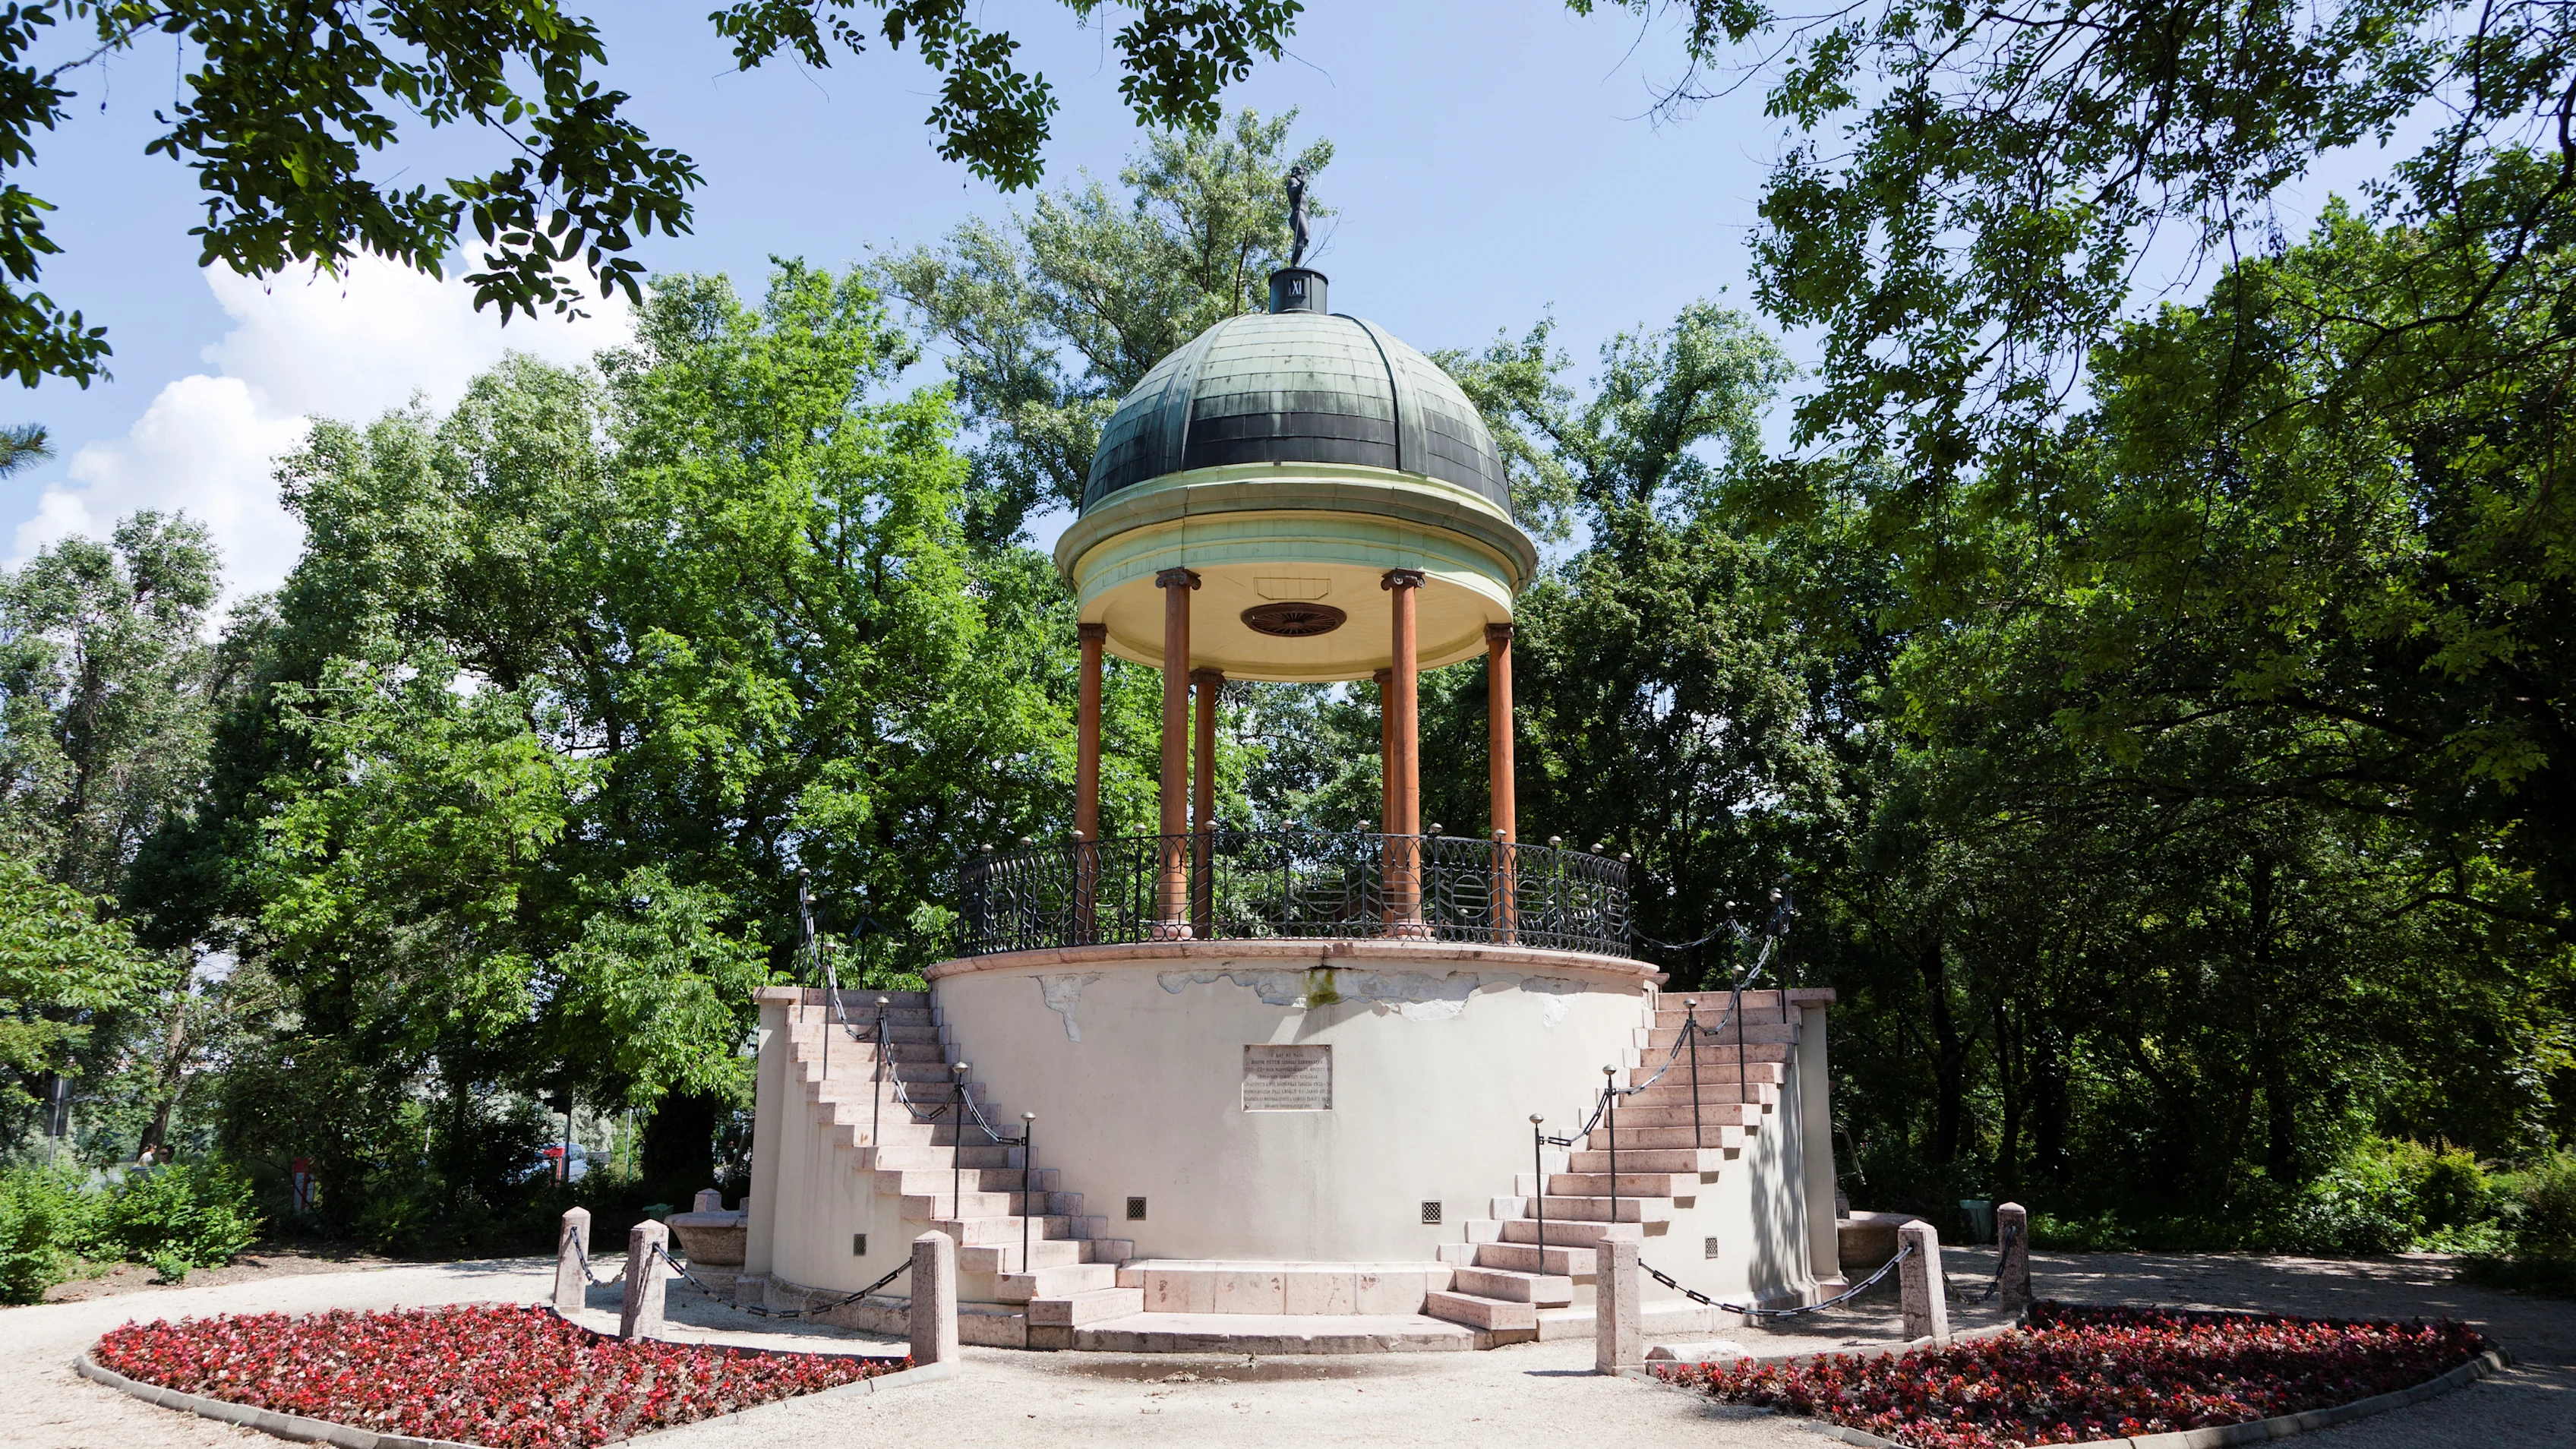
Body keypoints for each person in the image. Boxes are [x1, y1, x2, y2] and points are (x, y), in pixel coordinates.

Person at [1286, 165, 1312, 269]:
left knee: (1300, 241)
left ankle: (1296, 264)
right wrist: (1301, 184)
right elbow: (1293, 194)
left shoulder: (1298, 182)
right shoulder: (1293, 181)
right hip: (1298, 213)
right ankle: (1295, 264)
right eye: (1301, 173)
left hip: (1304, 215)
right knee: (1304, 238)